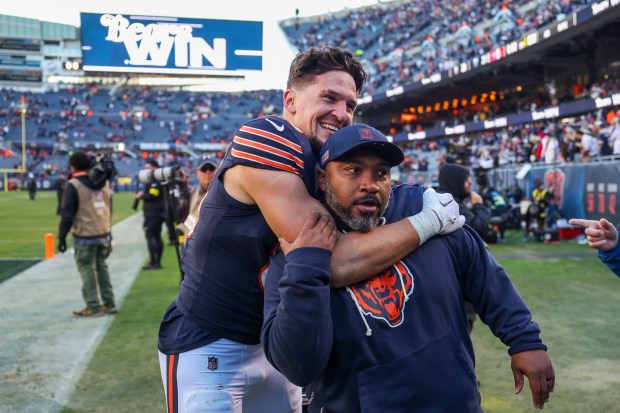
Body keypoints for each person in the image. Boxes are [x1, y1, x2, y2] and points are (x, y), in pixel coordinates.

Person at [157, 47, 464, 413]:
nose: (341, 113)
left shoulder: (329, 162)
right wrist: (430, 221)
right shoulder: (269, 136)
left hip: (274, 339)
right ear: (290, 100)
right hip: (210, 341)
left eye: (350, 105)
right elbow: (327, 260)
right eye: (329, 98)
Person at [262, 124, 555, 412]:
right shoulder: (297, 249)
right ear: (323, 179)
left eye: (381, 173)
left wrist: (524, 339)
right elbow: (296, 366)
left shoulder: (422, 207)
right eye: (353, 170)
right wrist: (305, 267)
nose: (370, 184)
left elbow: (482, 271)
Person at [57, 151, 117, 318]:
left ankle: (93, 306)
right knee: (101, 267)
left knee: (87, 269)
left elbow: (67, 214)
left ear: (73, 166)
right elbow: (109, 208)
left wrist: (61, 237)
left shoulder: (73, 184)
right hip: (103, 231)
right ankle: (109, 303)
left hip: (85, 235)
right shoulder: (104, 181)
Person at [438, 163, 491, 241]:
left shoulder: (444, 201)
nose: (470, 182)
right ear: (454, 181)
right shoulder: (450, 205)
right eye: (465, 178)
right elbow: (480, 230)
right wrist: (478, 205)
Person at [133, 158, 166, 270]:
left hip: (153, 212)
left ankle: (154, 262)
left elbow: (153, 195)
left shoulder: (155, 179)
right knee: (157, 235)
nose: (146, 171)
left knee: (151, 235)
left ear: (155, 167)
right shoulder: (157, 178)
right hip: (158, 211)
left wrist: (141, 196)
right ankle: (157, 262)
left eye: (148, 168)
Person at [178, 154, 219, 237]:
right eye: (204, 169)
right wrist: (183, 188)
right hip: (191, 245)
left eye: (211, 168)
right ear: (197, 173)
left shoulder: (222, 194)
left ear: (217, 171)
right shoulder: (194, 192)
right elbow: (182, 216)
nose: (208, 172)